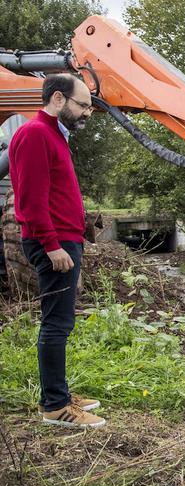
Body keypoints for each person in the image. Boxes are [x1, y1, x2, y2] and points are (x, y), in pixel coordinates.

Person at [8, 73, 105, 428]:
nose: (87, 113)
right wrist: (51, 245)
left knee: (60, 322)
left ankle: (58, 393)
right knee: (56, 323)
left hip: (64, 240)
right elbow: (31, 201)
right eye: (83, 105)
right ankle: (55, 407)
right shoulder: (36, 134)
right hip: (54, 243)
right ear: (59, 99)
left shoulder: (54, 136)